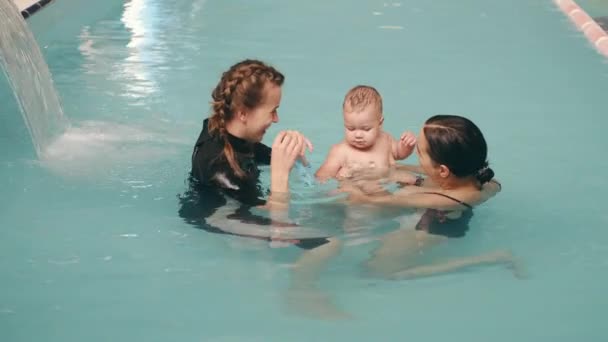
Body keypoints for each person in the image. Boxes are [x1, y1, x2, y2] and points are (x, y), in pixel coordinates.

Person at [178, 59, 326, 248]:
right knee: (325, 244)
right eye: (273, 111)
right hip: (217, 219)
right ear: (243, 114)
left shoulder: (230, 133)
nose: (276, 119)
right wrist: (280, 177)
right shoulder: (219, 166)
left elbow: (266, 157)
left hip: (238, 210)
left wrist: (292, 153)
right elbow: (278, 224)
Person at [346, 114, 515, 279]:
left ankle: (489, 258)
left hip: (432, 228)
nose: (417, 156)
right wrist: (395, 172)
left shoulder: (449, 199)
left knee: (376, 273)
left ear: (443, 170)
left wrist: (350, 186)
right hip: (441, 211)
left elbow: (375, 201)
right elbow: (427, 174)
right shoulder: (477, 178)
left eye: (419, 153)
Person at [315, 85, 417, 185]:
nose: (358, 135)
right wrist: (339, 179)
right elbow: (322, 176)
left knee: (410, 179)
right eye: (351, 128)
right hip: (358, 192)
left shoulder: (385, 140)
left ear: (380, 124)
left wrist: (407, 146)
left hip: (386, 185)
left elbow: (399, 154)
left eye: (366, 129)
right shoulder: (340, 151)